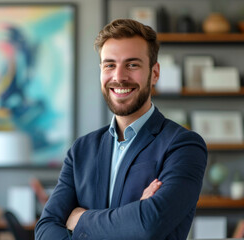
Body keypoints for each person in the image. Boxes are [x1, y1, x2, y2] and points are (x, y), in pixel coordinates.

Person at [35, 18, 207, 240]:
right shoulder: (81, 150)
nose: (119, 77)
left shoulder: (183, 146)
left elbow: (148, 224)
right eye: (110, 65)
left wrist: (80, 218)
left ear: (154, 73)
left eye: (132, 65)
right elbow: (45, 230)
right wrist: (130, 217)